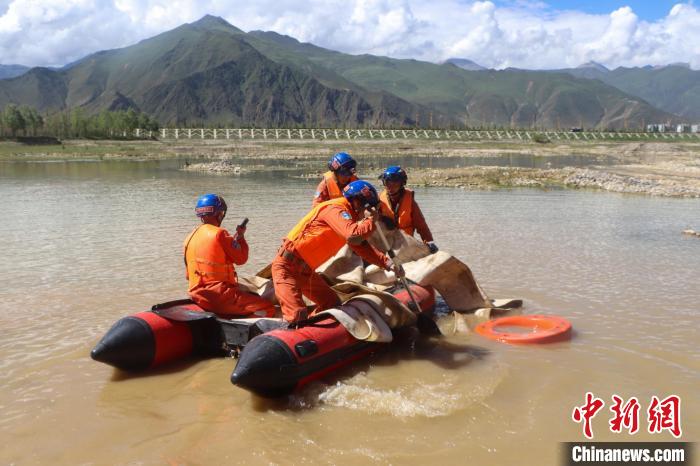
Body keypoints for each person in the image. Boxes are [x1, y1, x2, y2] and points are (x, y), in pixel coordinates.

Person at [272, 180, 403, 324]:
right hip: (287, 267)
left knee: (331, 303)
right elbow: (353, 236)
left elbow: (360, 245)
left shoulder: (348, 219)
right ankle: (296, 328)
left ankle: (312, 328)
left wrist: (388, 264)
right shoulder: (335, 209)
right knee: (297, 315)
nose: (369, 211)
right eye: (368, 207)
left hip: (305, 272)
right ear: (357, 202)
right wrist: (370, 220)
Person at [183, 193, 275, 318]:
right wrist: (240, 237)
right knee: (268, 307)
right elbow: (241, 259)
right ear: (219, 214)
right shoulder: (220, 234)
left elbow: (189, 276)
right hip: (219, 296)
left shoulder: (189, 238)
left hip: (197, 296)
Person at [378, 166, 438, 253]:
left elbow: (421, 225)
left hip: (405, 243)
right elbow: (368, 217)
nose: (391, 187)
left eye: (395, 183)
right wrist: (381, 218)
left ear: (402, 184)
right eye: (387, 183)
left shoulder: (410, 201)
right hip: (386, 243)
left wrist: (429, 242)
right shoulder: (379, 199)